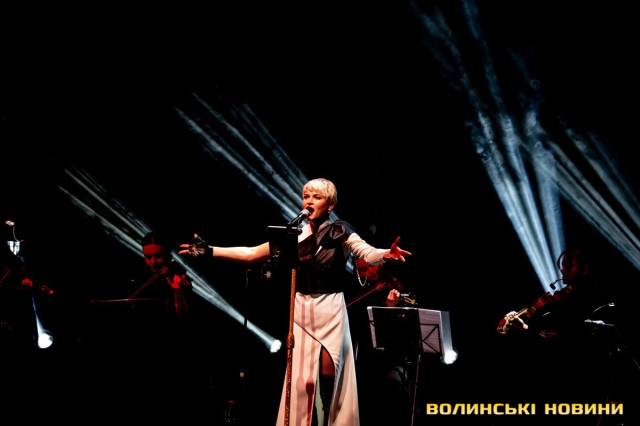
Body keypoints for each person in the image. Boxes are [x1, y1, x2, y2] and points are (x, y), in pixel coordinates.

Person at [179, 177, 412, 426]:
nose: (309, 201)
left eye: (317, 197)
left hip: (330, 307)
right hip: (301, 307)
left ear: (330, 205)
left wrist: (386, 254)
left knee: (331, 370)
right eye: (306, 196)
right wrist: (211, 250)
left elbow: (366, 251)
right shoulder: (294, 235)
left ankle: (329, 421)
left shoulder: (341, 229)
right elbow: (251, 253)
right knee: (303, 380)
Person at [347, 257, 416, 426]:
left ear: (381, 263)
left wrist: (390, 308)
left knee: (393, 385)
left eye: (372, 266)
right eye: (364, 269)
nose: (370, 271)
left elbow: (406, 326)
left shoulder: (395, 283)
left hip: (393, 357)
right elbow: (359, 326)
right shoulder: (359, 290)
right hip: (367, 357)